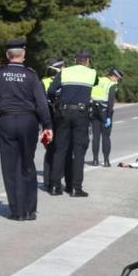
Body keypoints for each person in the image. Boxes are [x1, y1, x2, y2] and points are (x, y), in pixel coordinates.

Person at [0, 38, 52, 221]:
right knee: (27, 164)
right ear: (23, 55)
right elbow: (41, 104)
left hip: (7, 120)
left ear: (7, 55)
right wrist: (47, 125)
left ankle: (16, 211)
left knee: (10, 167)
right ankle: (29, 210)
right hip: (28, 122)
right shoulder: (31, 75)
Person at [46, 49, 97, 197]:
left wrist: (59, 101)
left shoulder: (65, 72)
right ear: (87, 61)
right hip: (82, 114)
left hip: (63, 113)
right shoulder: (92, 73)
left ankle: (55, 187)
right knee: (78, 152)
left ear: (75, 60)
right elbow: (94, 84)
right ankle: (75, 188)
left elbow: (51, 91)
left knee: (60, 149)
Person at [89, 68, 123, 167]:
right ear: (113, 76)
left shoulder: (99, 80)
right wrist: (108, 116)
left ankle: (95, 160)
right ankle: (106, 161)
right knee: (106, 137)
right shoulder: (111, 84)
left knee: (95, 137)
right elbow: (110, 101)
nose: (117, 81)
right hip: (104, 112)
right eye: (117, 78)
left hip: (94, 110)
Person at [42, 60, 64, 188]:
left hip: (53, 119)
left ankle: (51, 179)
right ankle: (51, 180)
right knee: (54, 150)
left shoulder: (60, 80)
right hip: (52, 119)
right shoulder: (47, 81)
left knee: (53, 150)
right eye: (62, 67)